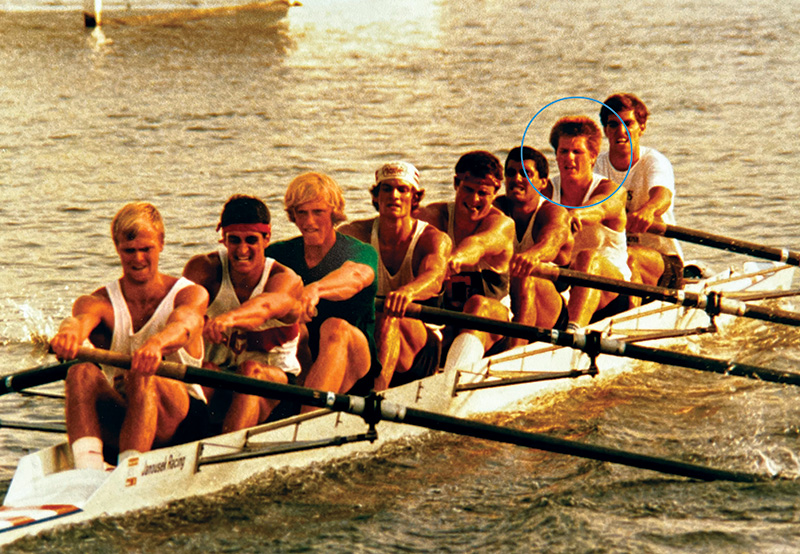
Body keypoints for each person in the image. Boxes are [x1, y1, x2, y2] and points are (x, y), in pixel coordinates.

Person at [50, 202, 209, 470]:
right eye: (129, 251)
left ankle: (128, 474)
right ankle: (87, 472)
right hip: (128, 415)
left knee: (141, 372)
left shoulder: (189, 294)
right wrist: (67, 335)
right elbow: (78, 322)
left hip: (182, 421)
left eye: (146, 249)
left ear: (161, 243)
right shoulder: (99, 301)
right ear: (117, 248)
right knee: (80, 372)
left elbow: (185, 326)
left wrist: (156, 344)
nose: (137, 259)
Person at [182, 195, 303, 433]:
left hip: (274, 386)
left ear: (267, 238)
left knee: (250, 370)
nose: (242, 250)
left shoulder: (284, 279)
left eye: (251, 240)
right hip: (221, 379)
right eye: (234, 240)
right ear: (223, 239)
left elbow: (264, 308)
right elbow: (179, 314)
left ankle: (225, 453)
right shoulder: (203, 269)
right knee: (205, 371)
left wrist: (227, 319)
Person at [265, 172, 380, 409]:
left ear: (334, 214)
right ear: (292, 216)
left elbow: (356, 277)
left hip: (355, 362)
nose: (309, 222)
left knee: (335, 327)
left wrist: (315, 289)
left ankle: (305, 419)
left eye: (318, 212)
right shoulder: (279, 254)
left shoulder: (359, 251)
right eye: (301, 213)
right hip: (301, 359)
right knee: (300, 330)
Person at [339, 162, 452, 389]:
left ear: (415, 198)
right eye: (387, 189)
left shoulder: (433, 239)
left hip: (421, 347)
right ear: (376, 197)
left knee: (389, 316)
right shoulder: (354, 233)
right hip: (373, 334)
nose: (395, 195)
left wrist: (407, 292)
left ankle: (373, 401)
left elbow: (435, 276)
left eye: (403, 189)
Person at [416, 150, 515, 374]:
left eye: (483, 193)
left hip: (493, 327)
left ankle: (452, 380)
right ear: (455, 183)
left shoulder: (501, 225)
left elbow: (478, 245)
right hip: (446, 325)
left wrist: (453, 259)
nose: (474, 200)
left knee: (477, 306)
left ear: (496, 191)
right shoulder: (433, 216)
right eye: (468, 190)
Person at [548, 116, 631, 328]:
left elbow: (601, 207)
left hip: (613, 292)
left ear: (593, 157)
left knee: (587, 258)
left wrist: (578, 214)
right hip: (566, 286)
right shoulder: (546, 191)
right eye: (563, 151)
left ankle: (572, 332)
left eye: (577, 152)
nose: (569, 158)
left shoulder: (610, 190)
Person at [594, 93, 684, 288]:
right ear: (605, 130)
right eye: (613, 125)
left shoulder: (654, 161)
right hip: (613, 257)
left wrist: (648, 210)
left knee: (629, 257)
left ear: (641, 128)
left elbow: (663, 195)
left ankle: (628, 314)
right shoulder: (596, 166)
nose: (621, 131)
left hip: (664, 261)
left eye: (628, 123)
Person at [494, 146, 573, 348]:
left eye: (526, 174)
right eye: (511, 173)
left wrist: (532, 255)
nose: (517, 179)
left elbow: (552, 242)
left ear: (543, 183)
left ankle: (514, 354)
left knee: (525, 273)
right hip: (508, 300)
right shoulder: (497, 209)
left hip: (554, 311)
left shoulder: (553, 213)